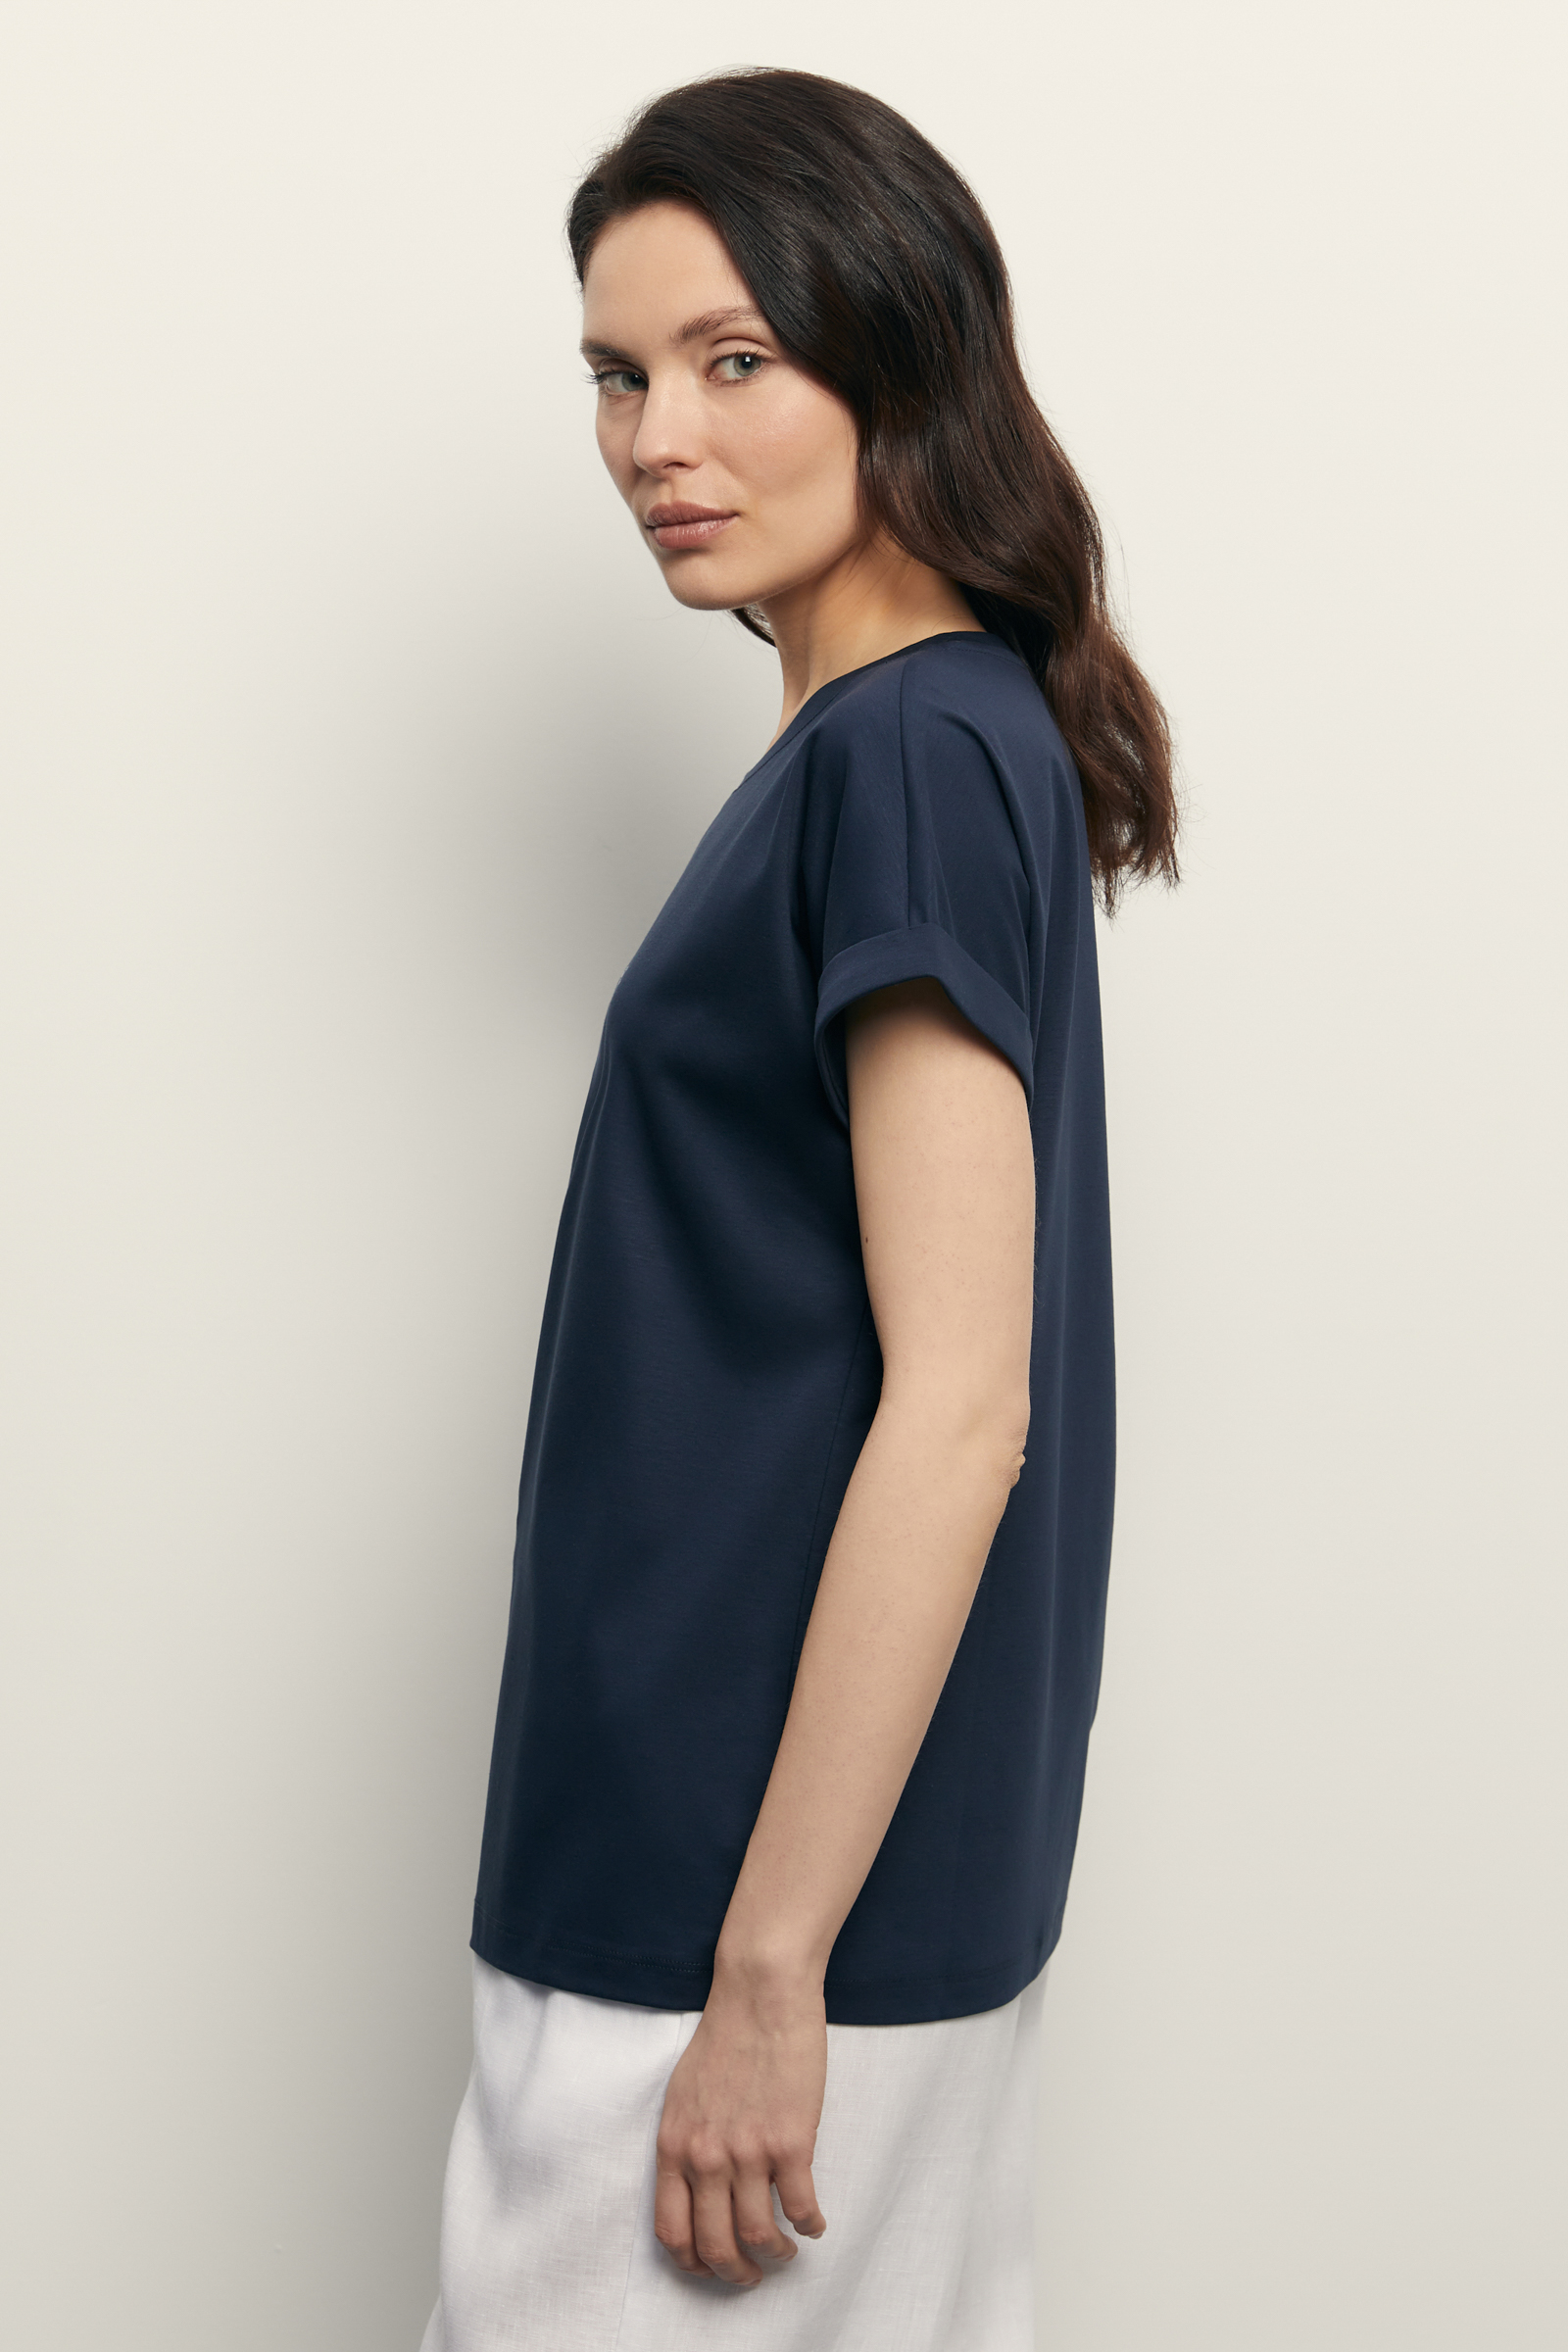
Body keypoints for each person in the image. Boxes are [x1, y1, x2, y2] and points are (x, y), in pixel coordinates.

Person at [420, 65, 1176, 2352]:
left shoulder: (905, 754)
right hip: (765, 1889)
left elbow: (960, 1406)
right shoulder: (913, 740)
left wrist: (766, 1971)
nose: (656, 437)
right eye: (615, 375)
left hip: (726, 1912)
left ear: (895, 351)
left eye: (730, 359)